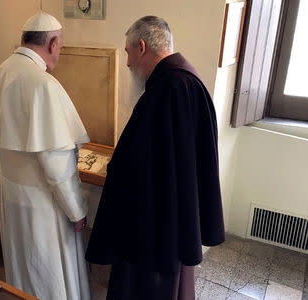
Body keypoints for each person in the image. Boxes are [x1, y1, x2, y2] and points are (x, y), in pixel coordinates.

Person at [85, 16, 225, 299]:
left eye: (127, 52)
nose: (127, 63)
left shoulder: (167, 90)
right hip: (172, 219)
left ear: (141, 46)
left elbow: (141, 166)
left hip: (154, 229)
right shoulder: (185, 80)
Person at [0, 12, 92, 300]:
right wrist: (77, 210)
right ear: (52, 43)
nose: (59, 54)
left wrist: (9, 179)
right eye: (61, 47)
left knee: (23, 266)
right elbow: (57, 166)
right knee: (48, 271)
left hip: (11, 195)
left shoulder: (1, 73)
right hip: (42, 203)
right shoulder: (43, 84)